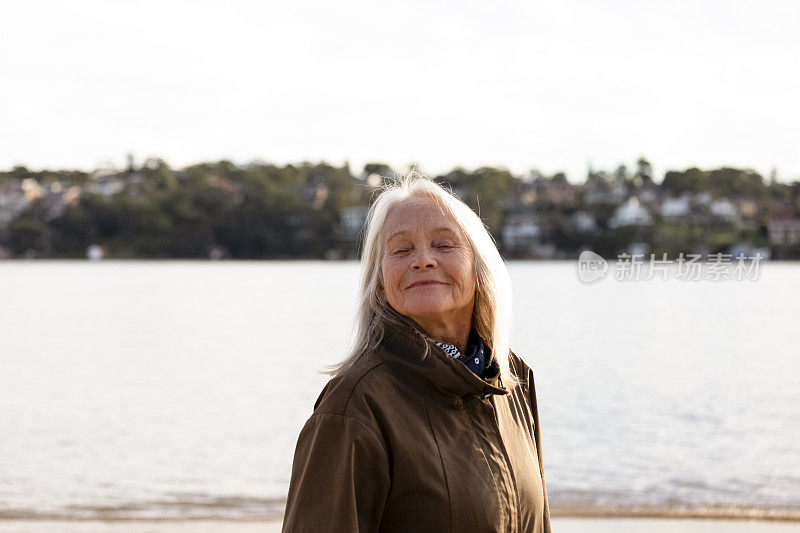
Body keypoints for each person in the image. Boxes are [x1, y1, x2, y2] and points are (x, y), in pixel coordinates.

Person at [282, 173, 551, 532]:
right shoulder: (354, 405)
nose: (423, 260)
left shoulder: (513, 379)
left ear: (480, 268)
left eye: (444, 244)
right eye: (401, 249)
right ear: (380, 281)